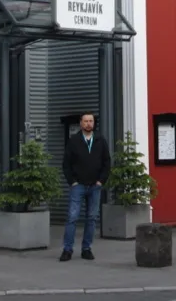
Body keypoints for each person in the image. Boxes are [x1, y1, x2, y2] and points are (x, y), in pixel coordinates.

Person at [60, 112, 110, 261]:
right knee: (72, 217)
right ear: (81, 123)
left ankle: (86, 249)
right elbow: (66, 163)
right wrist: (72, 181)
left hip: (95, 186)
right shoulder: (74, 141)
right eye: (86, 121)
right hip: (78, 186)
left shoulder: (100, 140)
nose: (88, 124)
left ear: (94, 123)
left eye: (91, 121)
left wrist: (101, 181)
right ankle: (67, 250)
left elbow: (107, 162)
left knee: (92, 218)